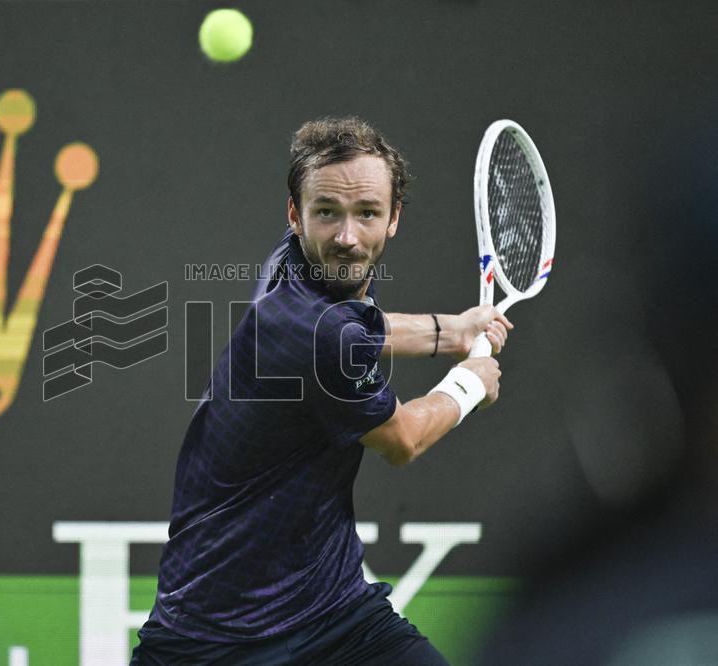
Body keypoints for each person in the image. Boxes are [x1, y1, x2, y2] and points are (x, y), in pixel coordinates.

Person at [131, 117, 511, 665]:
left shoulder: (296, 264)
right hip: (215, 640)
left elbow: (360, 324)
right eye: (327, 212)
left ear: (394, 217)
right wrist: (468, 384)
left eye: (367, 213)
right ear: (296, 214)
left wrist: (450, 331)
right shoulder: (311, 331)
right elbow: (402, 439)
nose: (348, 236)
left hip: (335, 614)